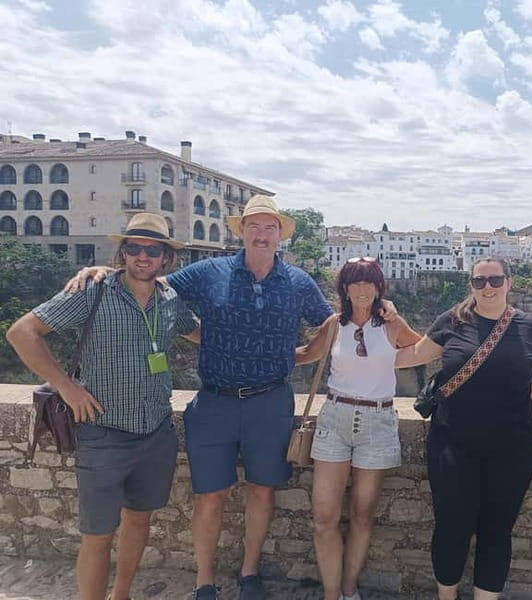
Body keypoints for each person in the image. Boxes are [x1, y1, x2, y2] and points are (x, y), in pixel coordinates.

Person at [67, 195, 396, 600]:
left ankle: (249, 573)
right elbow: (151, 286)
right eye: (253, 226)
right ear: (241, 231)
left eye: (269, 227)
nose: (261, 234)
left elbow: (333, 324)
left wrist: (312, 349)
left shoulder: (297, 282)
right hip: (215, 401)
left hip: (270, 401)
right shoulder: (209, 272)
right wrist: (105, 271)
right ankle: (204, 580)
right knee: (209, 495)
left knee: (262, 489)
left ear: (279, 235)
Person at [6, 213, 200, 600]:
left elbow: (201, 334)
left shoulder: (171, 299)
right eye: (134, 247)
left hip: (155, 431)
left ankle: (121, 594)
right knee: (97, 534)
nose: (142, 256)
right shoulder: (92, 291)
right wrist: (66, 387)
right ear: (122, 252)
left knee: (139, 522)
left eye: (152, 249)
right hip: (104, 432)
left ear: (166, 258)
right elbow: (21, 332)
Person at [395, 257, 532, 600]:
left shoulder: (530, 328)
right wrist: (361, 343)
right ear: (471, 284)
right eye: (480, 281)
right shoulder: (453, 321)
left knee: (497, 530)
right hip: (453, 442)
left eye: (495, 280)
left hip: (512, 446)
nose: (488, 288)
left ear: (509, 283)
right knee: (452, 525)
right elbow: (414, 355)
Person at [295, 257, 420, 600]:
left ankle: (349, 589)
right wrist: (257, 355)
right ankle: (332, 593)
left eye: (370, 282)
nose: (363, 289)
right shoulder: (335, 324)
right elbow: (306, 354)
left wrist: (397, 317)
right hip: (335, 418)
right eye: (355, 282)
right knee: (323, 517)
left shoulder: (390, 325)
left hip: (377, 422)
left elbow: (422, 349)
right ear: (344, 289)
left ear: (379, 287)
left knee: (362, 515)